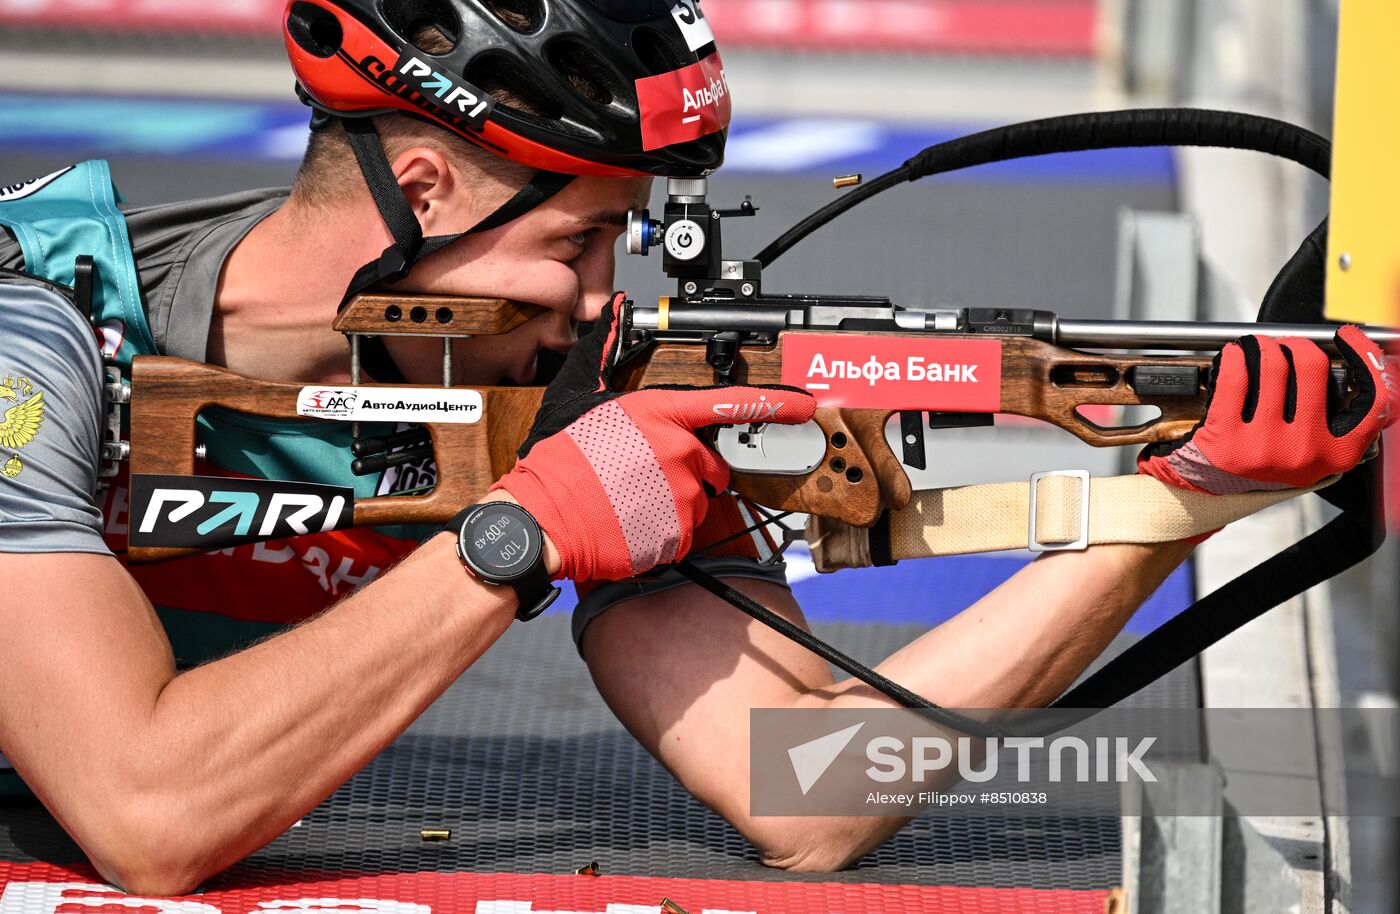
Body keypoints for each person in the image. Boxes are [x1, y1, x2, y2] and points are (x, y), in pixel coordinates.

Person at [0, 0, 1391, 896]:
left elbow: (814, 791)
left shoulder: (543, 379)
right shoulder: (37, 331)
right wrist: (517, 540)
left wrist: (1185, 495)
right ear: (420, 186)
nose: (611, 297)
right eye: (576, 240)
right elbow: (151, 810)